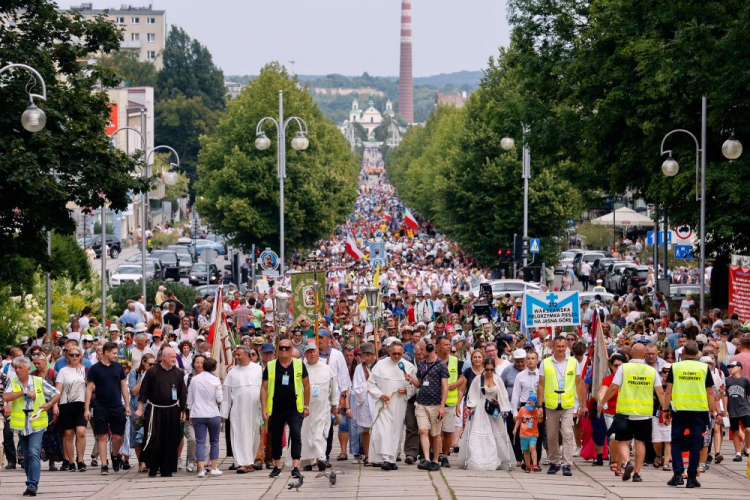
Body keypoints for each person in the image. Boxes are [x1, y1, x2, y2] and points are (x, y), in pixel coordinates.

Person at [599, 343, 665, 482]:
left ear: (631, 354)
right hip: (644, 413)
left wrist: (602, 402)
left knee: (622, 440)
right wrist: (665, 408)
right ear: (645, 354)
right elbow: (660, 391)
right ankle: (637, 473)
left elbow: (613, 387)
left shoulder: (624, 368)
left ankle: (628, 461)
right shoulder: (651, 371)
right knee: (640, 442)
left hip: (625, 411)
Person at [3, 356, 61, 497]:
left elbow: (56, 394)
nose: (17, 370)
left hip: (37, 424)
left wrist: (49, 405)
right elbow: (6, 396)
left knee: (34, 452)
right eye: (15, 368)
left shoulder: (38, 381)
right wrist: (23, 393)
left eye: (20, 368)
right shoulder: (13, 381)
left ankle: (32, 484)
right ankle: (30, 481)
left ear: (28, 369)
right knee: (28, 456)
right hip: (21, 426)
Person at [663, 340, 714, 488]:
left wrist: (665, 409)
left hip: (679, 410)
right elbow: (710, 392)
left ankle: (678, 475)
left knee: (677, 442)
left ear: (683, 353)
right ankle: (692, 477)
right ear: (698, 353)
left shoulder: (676, 367)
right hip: (699, 411)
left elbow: (668, 390)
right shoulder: (704, 368)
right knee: (695, 444)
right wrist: (712, 410)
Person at [260, 338, 311, 479]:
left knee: (295, 435)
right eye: (281, 348)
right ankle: (277, 465)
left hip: (295, 407)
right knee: (275, 437)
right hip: (276, 407)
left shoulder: (299, 365)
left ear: (291, 350)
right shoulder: (270, 366)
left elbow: (307, 385)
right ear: (277, 350)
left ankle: (295, 466)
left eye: (286, 348)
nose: (283, 350)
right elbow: (264, 388)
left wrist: (306, 406)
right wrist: (264, 407)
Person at [537, 335, 585, 477]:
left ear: (567, 347)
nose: (560, 349)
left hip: (567, 403)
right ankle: (554, 462)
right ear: (553, 347)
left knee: (567, 433)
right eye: (558, 346)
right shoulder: (545, 363)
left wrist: (581, 403)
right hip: (551, 404)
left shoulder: (573, 362)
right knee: (551, 435)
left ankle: (567, 463)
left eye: (563, 346)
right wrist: (540, 405)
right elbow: (541, 385)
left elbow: (578, 383)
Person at [136, 346, 187, 478]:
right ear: (163, 357)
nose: (174, 359)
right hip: (154, 410)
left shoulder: (179, 373)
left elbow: (182, 393)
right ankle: (153, 466)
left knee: (171, 439)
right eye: (172, 357)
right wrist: (140, 408)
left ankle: (167, 468)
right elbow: (143, 392)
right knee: (153, 438)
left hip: (172, 410)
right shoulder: (152, 372)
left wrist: (183, 410)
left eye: (175, 357)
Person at [456, 357, 515, 470]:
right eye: (487, 369)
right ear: (484, 367)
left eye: (491, 370)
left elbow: (503, 395)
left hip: (493, 410)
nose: (489, 372)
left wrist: (504, 409)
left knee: (494, 434)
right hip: (480, 409)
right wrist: (471, 407)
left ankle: (496, 458)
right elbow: (472, 394)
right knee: (479, 433)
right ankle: (479, 459)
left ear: (494, 369)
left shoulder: (498, 380)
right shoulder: (478, 379)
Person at [367, 340, 416, 470]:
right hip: (383, 403)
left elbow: (414, 386)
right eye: (394, 353)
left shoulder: (408, 366)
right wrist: (380, 395)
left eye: (399, 354)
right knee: (382, 431)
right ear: (389, 351)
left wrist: (406, 391)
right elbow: (371, 384)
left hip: (399, 403)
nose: (396, 356)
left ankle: (391, 459)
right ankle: (385, 458)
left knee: (395, 431)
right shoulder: (380, 365)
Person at [85, 342, 130, 475]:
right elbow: (88, 389)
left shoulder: (118, 367)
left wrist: (127, 405)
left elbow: (123, 387)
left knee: (118, 437)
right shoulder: (94, 369)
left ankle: (115, 455)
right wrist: (86, 408)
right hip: (100, 406)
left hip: (116, 405)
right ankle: (104, 465)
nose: (116, 356)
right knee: (102, 436)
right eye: (114, 353)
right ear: (106, 352)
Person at [405, 339, 449, 472]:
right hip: (422, 403)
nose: (420, 353)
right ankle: (426, 459)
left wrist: (442, 406)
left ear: (429, 348)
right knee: (423, 430)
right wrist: (411, 380)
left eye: (422, 350)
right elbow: (419, 383)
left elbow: (445, 386)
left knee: (435, 434)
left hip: (435, 404)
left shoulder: (441, 365)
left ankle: (435, 460)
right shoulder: (422, 364)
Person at [221, 346, 263, 473]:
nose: (237, 357)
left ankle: (249, 462)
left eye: (239, 355)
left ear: (247, 355)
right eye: (236, 355)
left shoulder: (258, 369)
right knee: (239, 435)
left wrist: (266, 408)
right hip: (238, 411)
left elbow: (264, 389)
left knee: (254, 435)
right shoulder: (233, 372)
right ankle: (242, 463)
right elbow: (226, 394)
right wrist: (224, 412)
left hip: (255, 409)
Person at [300, 343, 339, 471]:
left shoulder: (326, 369)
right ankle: (309, 461)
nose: (312, 354)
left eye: (314, 351)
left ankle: (321, 457)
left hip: (322, 407)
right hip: (306, 409)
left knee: (321, 433)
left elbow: (333, 388)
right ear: (305, 354)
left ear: (318, 353)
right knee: (307, 435)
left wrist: (335, 404)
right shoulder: (301, 369)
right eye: (309, 352)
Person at [186, 356, 223, 477]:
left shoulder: (194, 379)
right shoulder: (215, 380)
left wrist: (190, 413)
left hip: (197, 413)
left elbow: (189, 400)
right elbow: (219, 399)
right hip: (212, 413)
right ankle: (213, 467)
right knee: (214, 441)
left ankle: (201, 469)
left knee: (200, 442)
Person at [54, 345, 88, 472]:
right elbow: (58, 390)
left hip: (81, 404)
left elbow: (92, 388)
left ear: (81, 356)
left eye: (77, 355)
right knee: (68, 434)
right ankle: (71, 461)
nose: (74, 357)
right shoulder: (63, 371)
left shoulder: (86, 370)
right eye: (72, 354)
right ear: (67, 356)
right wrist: (55, 405)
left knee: (81, 432)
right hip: (66, 404)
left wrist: (88, 383)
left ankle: (81, 460)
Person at [351, 342, 377, 466]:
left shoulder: (379, 367)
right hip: (365, 401)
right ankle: (367, 455)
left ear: (373, 355)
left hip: (377, 401)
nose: (365, 357)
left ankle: (378, 454)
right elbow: (357, 386)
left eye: (368, 354)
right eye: (363, 355)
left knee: (378, 430)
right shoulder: (359, 368)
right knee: (365, 430)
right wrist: (369, 384)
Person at [129, 353, 154, 473]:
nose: (152, 366)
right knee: (138, 437)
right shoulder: (134, 373)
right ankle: (141, 462)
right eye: (150, 364)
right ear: (143, 363)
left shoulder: (155, 374)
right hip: (136, 409)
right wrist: (142, 379)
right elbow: (133, 391)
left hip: (150, 408)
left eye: (154, 364)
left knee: (148, 435)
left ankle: (149, 460)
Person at [723, 360, 750, 462]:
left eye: (733, 367)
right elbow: (725, 395)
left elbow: (748, 394)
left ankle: (747, 448)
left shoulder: (745, 380)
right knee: (735, 431)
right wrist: (725, 410)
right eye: (729, 367)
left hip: (744, 408)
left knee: (748, 429)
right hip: (732, 409)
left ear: (739, 368)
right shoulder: (727, 381)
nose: (730, 368)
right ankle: (738, 452)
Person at [513, 394, 540, 472]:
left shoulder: (536, 410)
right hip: (523, 434)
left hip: (533, 433)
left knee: (532, 447)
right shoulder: (522, 409)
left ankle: (535, 464)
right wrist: (515, 428)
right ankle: (528, 466)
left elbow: (540, 421)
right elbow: (518, 419)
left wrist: (540, 416)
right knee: (525, 450)